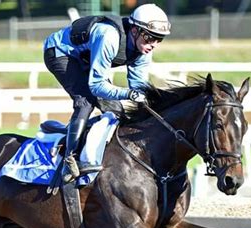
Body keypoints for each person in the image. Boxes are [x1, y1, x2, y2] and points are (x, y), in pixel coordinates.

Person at [43, 3, 171, 183]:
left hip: (85, 58)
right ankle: (69, 160)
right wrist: (128, 94)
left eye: (159, 39)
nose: (153, 45)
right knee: (85, 101)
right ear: (134, 30)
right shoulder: (108, 36)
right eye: (151, 37)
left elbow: (138, 87)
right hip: (60, 53)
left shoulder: (143, 50)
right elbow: (96, 86)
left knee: (117, 110)